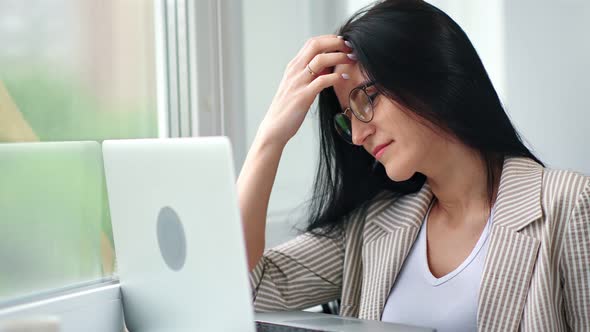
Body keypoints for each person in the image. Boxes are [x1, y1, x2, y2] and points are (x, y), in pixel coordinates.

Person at [236, 0, 590, 331]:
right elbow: (241, 289)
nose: (358, 135)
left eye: (366, 99)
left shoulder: (568, 205)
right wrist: (271, 136)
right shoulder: (370, 227)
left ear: (429, 75)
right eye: (347, 119)